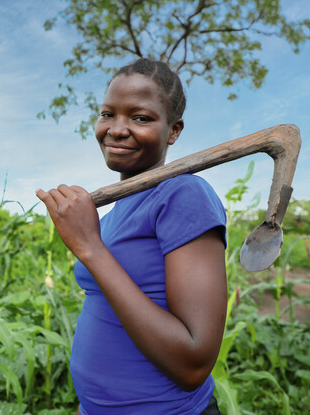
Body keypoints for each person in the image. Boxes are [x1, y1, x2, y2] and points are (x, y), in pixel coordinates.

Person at [36, 58, 227, 414]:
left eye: (140, 117)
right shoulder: (112, 214)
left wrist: (89, 247)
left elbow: (193, 365)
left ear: (173, 130)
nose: (117, 129)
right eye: (108, 114)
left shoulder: (183, 195)